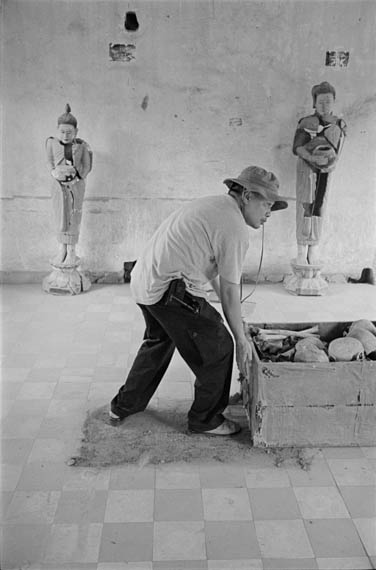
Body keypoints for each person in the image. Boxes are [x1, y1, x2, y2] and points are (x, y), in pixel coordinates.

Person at [110, 166, 292, 435]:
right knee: (219, 346)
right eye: (265, 204)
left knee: (159, 340)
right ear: (247, 196)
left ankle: (124, 405)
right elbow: (231, 289)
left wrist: (236, 320)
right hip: (168, 289)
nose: (268, 213)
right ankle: (206, 420)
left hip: (145, 281)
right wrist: (239, 337)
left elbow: (215, 275)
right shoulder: (233, 227)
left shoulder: (216, 207)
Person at [293, 82, 346, 265]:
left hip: (326, 170)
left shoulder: (338, 124)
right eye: (321, 101)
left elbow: (339, 148)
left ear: (334, 102)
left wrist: (329, 161)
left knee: (320, 205)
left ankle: (314, 247)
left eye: (328, 101)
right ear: (314, 102)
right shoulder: (307, 122)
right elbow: (297, 147)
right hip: (307, 170)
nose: (324, 105)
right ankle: (301, 248)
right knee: (305, 205)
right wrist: (311, 157)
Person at [46, 104, 92, 266]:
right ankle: (62, 249)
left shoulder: (82, 146)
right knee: (60, 216)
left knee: (73, 216)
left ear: (76, 132)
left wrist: (77, 178)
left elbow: (87, 166)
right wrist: (54, 173)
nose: (65, 135)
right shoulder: (51, 143)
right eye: (62, 132)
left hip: (75, 186)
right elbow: (50, 162)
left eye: (69, 132)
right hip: (57, 187)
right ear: (57, 130)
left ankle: (71, 251)